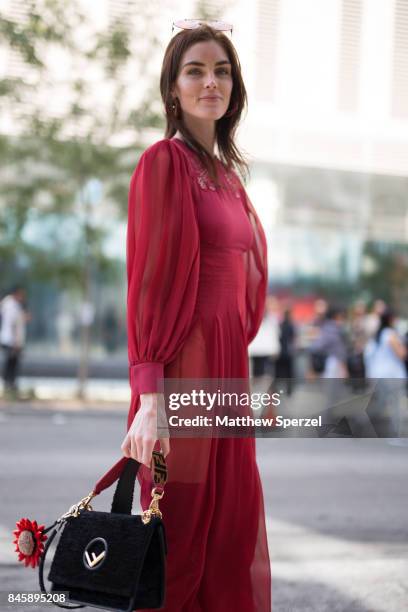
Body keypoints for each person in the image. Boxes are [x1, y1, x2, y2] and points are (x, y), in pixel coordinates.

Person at [120, 22, 271, 612]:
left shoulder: (228, 177)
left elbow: (246, 285)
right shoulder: (165, 163)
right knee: (178, 537)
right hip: (184, 366)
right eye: (195, 71)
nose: (211, 82)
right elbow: (149, 284)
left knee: (229, 533)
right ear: (173, 89)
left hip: (228, 374)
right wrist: (150, 398)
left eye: (222, 71)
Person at [364, 309, 407, 441]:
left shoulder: (378, 335)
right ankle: (396, 434)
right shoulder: (390, 334)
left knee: (382, 404)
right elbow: (401, 354)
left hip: (380, 374)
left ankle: (363, 425)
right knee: (396, 405)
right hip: (392, 374)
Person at [0, 286, 28, 398]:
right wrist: (16, 342)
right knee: (11, 364)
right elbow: (12, 324)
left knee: (11, 363)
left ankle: (9, 385)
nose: (22, 297)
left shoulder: (8, 305)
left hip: (9, 339)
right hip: (11, 340)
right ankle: (9, 385)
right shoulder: (11, 305)